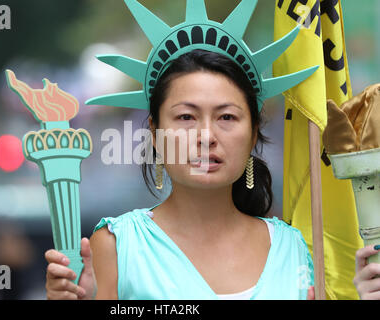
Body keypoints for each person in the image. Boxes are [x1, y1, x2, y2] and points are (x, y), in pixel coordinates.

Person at [47, 49, 317, 300]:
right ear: (155, 133)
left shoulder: (294, 248)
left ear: (253, 133)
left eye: (227, 117)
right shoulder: (117, 246)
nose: (207, 136)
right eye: (186, 117)